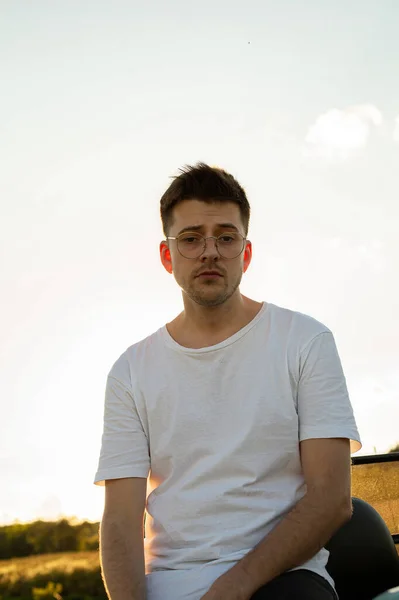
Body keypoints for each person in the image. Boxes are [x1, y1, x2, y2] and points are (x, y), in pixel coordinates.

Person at [94, 162, 362, 600]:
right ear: (168, 256)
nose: (209, 251)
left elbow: (332, 498)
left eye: (225, 236)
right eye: (191, 238)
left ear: (245, 252)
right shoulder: (130, 371)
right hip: (170, 582)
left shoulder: (305, 341)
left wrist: (233, 587)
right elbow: (120, 523)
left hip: (284, 578)